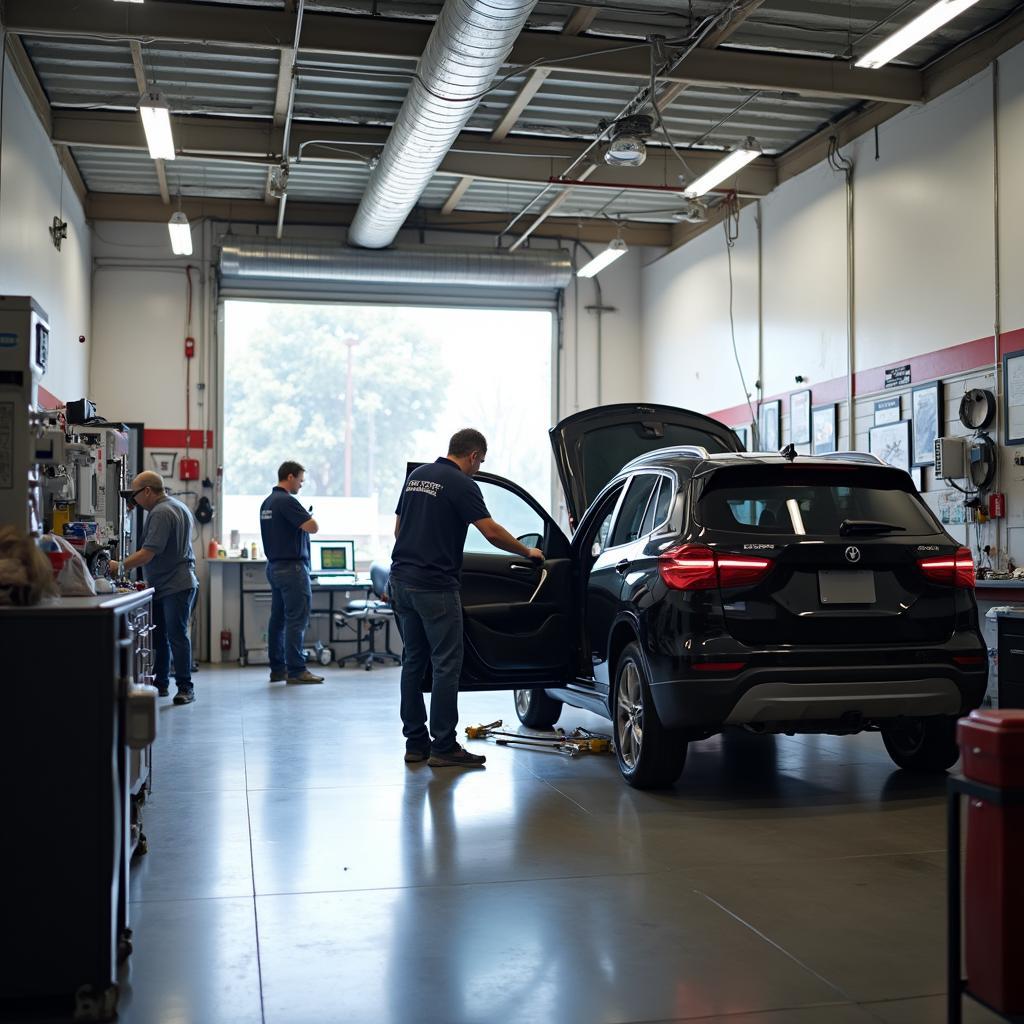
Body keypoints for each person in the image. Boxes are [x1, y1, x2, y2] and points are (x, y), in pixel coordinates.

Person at [390, 428, 544, 768]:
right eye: (480, 462)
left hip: (401, 580)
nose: (478, 467)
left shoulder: (417, 476)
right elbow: (490, 531)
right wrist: (526, 550)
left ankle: (415, 744)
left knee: (413, 661)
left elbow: (399, 530)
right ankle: (444, 746)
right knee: (446, 665)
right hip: (435, 585)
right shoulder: (461, 483)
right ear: (473, 456)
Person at [110, 471, 200, 705]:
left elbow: (148, 553)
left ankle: (185, 687)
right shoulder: (178, 506)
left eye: (135, 494)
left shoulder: (160, 513)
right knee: (161, 637)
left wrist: (119, 566)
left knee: (176, 636)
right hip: (168, 583)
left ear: (147, 491)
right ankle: (161, 684)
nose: (133, 500)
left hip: (175, 584)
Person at [260, 461, 323, 684]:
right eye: (300, 480)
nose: (301, 485)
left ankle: (278, 669)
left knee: (277, 619)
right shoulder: (287, 501)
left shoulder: (267, 502)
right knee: (297, 620)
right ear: (289, 477)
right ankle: (296, 670)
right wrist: (306, 516)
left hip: (274, 567)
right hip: (292, 569)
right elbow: (313, 526)